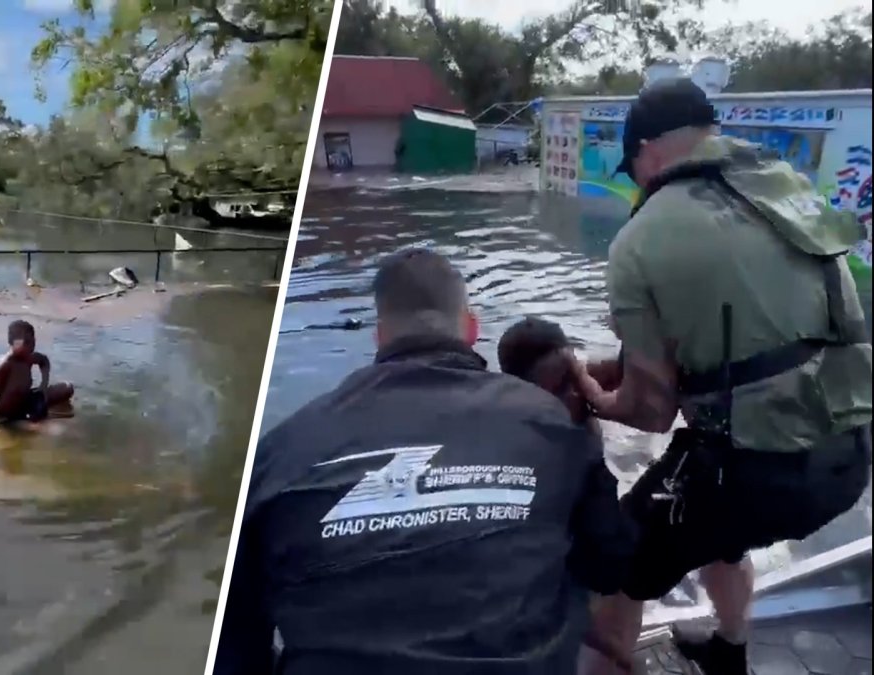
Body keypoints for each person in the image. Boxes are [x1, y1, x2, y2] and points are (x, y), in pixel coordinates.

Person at [214, 248, 635, 675]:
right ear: (472, 329)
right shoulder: (549, 421)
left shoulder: (281, 450)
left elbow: (232, 648)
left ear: (379, 336)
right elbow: (609, 564)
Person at [572, 78, 871, 675]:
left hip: (757, 475)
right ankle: (730, 653)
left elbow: (650, 412)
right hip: (849, 459)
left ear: (647, 150)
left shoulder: (640, 237)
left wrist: (589, 389)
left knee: (613, 562)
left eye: (632, 167)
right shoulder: (788, 189)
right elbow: (773, 337)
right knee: (717, 529)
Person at [0, 320, 75, 425]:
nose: (30, 346)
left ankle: (40, 414)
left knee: (67, 387)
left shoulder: (29, 357)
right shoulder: (5, 364)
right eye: (25, 342)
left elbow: (43, 360)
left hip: (27, 402)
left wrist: (44, 384)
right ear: (11, 342)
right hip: (10, 416)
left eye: (32, 341)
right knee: (49, 430)